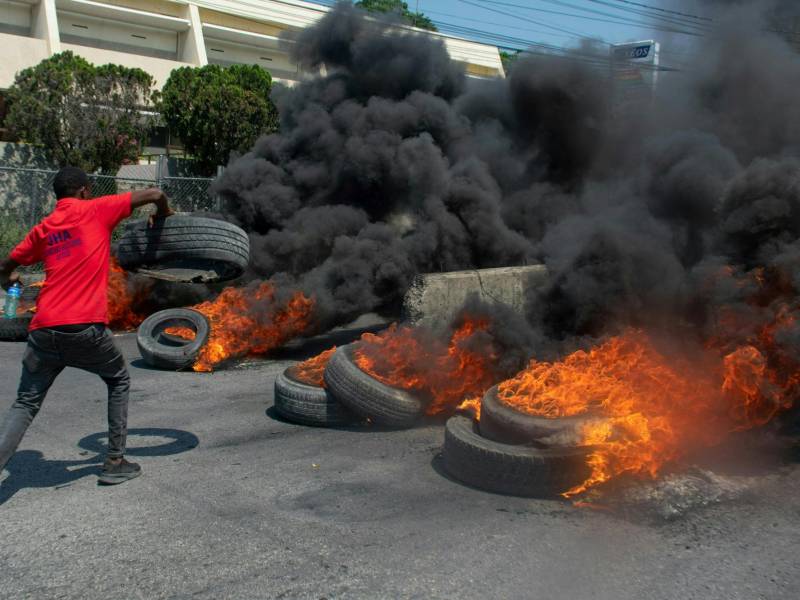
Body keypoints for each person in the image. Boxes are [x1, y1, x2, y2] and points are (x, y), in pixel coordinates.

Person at [0, 166, 174, 485]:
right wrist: (162, 213)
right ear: (84, 191)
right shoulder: (96, 209)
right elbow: (155, 193)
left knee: (25, 403)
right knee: (118, 378)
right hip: (83, 327)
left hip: (42, 330)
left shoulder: (45, 227)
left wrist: (7, 279)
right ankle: (114, 461)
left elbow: (7, 264)